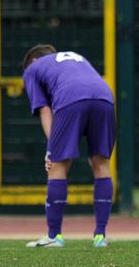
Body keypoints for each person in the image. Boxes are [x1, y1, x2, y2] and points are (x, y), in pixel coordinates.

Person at [22, 45, 115, 249]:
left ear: (33, 62)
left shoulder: (32, 69)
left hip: (71, 98)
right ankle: (101, 236)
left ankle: (54, 236)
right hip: (105, 98)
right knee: (101, 164)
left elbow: (45, 110)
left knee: (58, 165)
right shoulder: (77, 57)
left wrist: (51, 149)